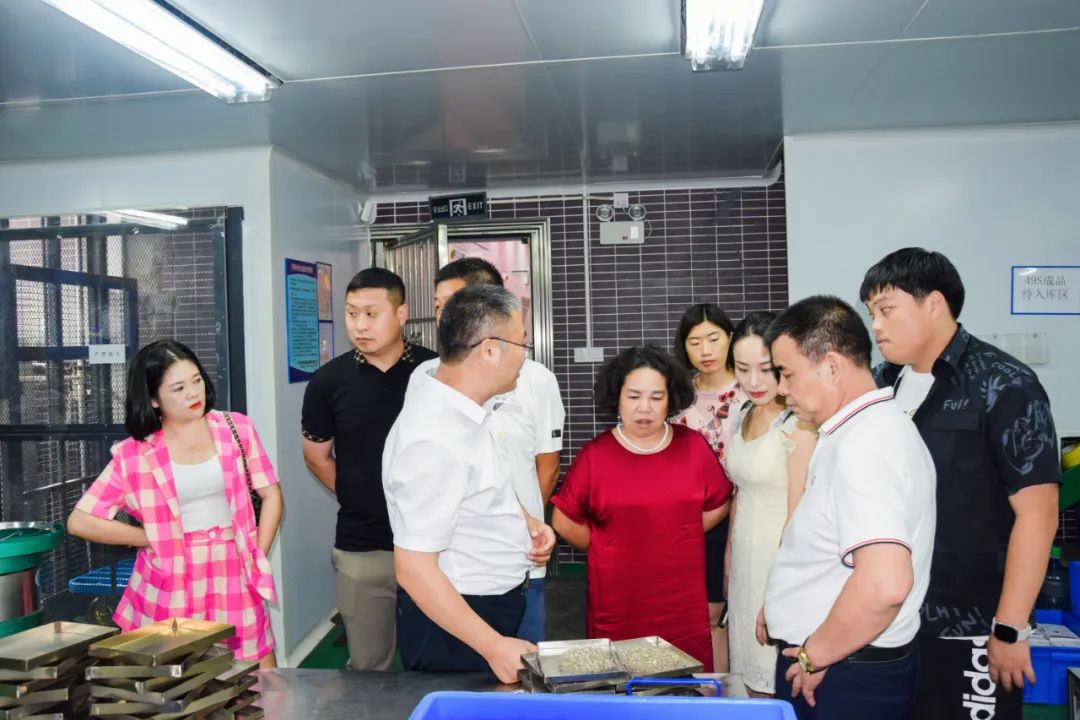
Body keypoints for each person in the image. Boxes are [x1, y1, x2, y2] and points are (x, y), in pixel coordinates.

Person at [860, 248, 1060, 720]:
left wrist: (1010, 628)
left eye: (886, 310)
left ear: (934, 304)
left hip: (970, 623)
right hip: (890, 623)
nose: (877, 327)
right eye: (871, 314)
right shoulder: (880, 386)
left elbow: (1038, 515)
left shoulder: (1004, 384)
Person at [760, 295, 936, 720]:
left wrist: (816, 654)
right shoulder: (861, 429)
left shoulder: (866, 445)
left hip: (846, 671)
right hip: (844, 658)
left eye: (787, 373)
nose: (781, 389)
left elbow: (884, 584)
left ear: (831, 366)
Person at [68, 340, 283, 667]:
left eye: (196, 380)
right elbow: (80, 521)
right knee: (175, 679)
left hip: (233, 568)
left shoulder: (236, 429)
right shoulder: (134, 454)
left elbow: (272, 495)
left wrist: (256, 555)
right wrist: (149, 538)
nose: (193, 394)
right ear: (154, 399)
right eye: (179, 388)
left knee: (259, 673)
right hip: (170, 578)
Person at [382, 284, 556, 683]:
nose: (525, 357)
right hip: (457, 622)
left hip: (486, 606)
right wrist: (493, 645)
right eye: (522, 344)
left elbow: (477, 487)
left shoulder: (466, 409)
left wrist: (526, 521)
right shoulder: (432, 438)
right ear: (489, 350)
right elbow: (414, 569)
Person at [551, 345, 733, 669]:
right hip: (618, 602)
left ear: (670, 399)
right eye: (634, 396)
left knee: (683, 684)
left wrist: (678, 531)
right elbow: (564, 520)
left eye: (656, 397)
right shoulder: (596, 456)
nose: (644, 408)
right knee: (622, 681)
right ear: (617, 398)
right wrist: (608, 546)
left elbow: (719, 502)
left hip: (681, 602)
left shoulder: (692, 446)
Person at [418, 256, 565, 643]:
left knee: (524, 656)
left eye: (455, 304)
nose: (445, 316)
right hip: (449, 563)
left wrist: (523, 526)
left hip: (520, 556)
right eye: (439, 306)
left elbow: (547, 466)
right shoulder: (426, 379)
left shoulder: (535, 380)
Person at [301, 267, 438, 670]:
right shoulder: (328, 382)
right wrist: (360, 495)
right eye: (351, 313)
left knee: (437, 661)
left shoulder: (435, 373)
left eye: (371, 314)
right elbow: (316, 456)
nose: (359, 325)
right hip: (362, 543)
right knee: (368, 666)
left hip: (434, 542)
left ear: (401, 314)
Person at [724, 311, 817, 696]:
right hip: (743, 558)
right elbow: (739, 493)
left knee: (772, 677)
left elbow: (799, 516)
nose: (753, 382)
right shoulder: (740, 411)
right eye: (742, 369)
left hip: (779, 560)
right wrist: (728, 560)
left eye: (766, 369)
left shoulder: (800, 423)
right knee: (744, 675)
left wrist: (778, 593)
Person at [672, 302, 745, 672]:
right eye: (695, 342)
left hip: (741, 512)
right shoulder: (677, 394)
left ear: (730, 339)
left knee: (730, 609)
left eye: (714, 339)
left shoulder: (750, 389)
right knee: (696, 610)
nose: (706, 350)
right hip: (691, 517)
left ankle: (728, 686)